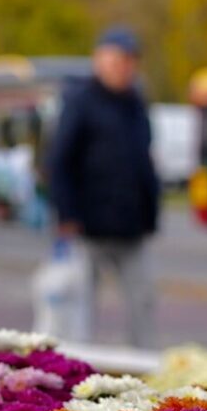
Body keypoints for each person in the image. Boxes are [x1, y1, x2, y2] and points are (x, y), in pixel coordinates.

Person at [48, 27, 160, 348]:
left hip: (131, 224)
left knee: (142, 300)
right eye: (116, 59)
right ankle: (75, 370)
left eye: (129, 60)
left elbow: (144, 161)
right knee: (79, 305)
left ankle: (146, 370)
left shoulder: (137, 104)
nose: (123, 67)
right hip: (88, 223)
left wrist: (151, 212)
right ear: (99, 60)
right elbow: (58, 160)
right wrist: (66, 212)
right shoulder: (80, 101)